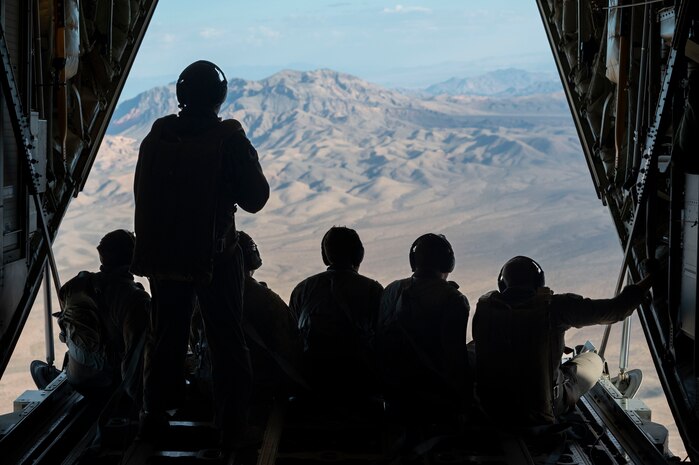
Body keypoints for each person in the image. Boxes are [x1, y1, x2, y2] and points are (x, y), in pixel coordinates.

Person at [131, 60, 269, 445]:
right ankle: (232, 425)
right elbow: (256, 199)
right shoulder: (228, 139)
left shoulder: (158, 136)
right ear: (219, 98)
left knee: (165, 338)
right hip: (215, 258)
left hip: (162, 256)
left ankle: (154, 416)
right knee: (226, 339)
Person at [472, 256, 650, 428]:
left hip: (493, 410)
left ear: (502, 284)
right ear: (538, 282)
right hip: (541, 410)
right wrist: (648, 281)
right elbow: (616, 310)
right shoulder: (554, 306)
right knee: (594, 360)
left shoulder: (485, 307)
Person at [39, 230, 150, 401]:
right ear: (133, 257)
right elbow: (134, 360)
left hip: (76, 377)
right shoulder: (134, 299)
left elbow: (66, 331)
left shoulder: (74, 287)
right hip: (109, 383)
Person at [377, 233, 471, 420]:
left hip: (393, 394)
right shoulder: (454, 298)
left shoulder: (390, 290)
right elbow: (455, 358)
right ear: (448, 263)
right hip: (434, 396)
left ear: (413, 261)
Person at [289, 226, 383, 397]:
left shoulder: (302, 289)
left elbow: (292, 338)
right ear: (358, 254)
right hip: (359, 387)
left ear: (326, 256)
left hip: (312, 385)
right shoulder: (372, 290)